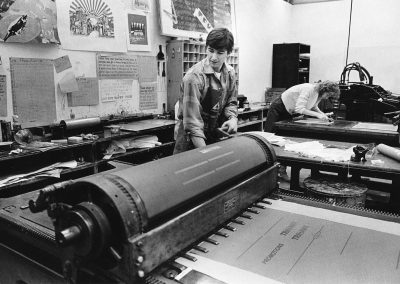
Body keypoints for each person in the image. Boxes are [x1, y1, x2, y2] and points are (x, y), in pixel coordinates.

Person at [173, 28, 238, 154]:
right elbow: (192, 124)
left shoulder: (230, 73)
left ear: (228, 53)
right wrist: (207, 155)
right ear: (206, 48)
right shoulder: (194, 78)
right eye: (210, 50)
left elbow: (231, 102)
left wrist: (232, 118)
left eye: (220, 53)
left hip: (213, 136)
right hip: (191, 143)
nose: (214, 57)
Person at [264, 81, 341, 180]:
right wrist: (318, 115)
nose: (328, 97)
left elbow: (313, 106)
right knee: (269, 138)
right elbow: (300, 109)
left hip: (288, 111)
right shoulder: (308, 89)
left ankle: (281, 171)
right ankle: (267, 172)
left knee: (283, 141)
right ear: (325, 90)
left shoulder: (318, 94)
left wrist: (323, 114)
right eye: (329, 94)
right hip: (278, 108)